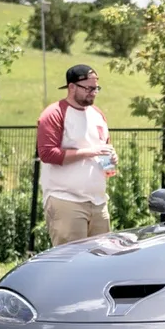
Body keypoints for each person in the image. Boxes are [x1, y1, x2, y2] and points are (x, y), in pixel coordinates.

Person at [36, 64, 118, 247]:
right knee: (70, 261)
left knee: (102, 259)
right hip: (66, 200)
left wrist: (110, 163)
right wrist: (90, 152)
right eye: (88, 88)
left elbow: (103, 147)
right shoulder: (54, 114)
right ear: (71, 87)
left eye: (96, 88)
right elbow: (48, 154)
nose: (93, 93)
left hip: (98, 202)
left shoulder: (98, 115)